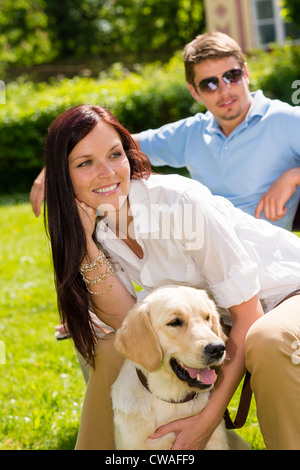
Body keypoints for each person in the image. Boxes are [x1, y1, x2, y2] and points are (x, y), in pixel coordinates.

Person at [44, 104, 300, 450]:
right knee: (110, 350)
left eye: (115, 154)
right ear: (64, 176)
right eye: (85, 163)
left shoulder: (179, 202)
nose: (106, 172)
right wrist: (86, 245)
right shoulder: (98, 227)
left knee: (268, 340)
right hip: (220, 318)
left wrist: (204, 424)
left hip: (286, 293)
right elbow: (127, 323)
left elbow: (248, 315)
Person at [31, 32, 300, 231]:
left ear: (246, 74)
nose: (224, 90)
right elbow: (119, 144)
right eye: (209, 84)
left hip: (266, 259)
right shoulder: (193, 132)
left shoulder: (284, 120)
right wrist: (52, 169)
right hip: (207, 254)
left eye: (232, 75)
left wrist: (292, 176)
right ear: (194, 91)